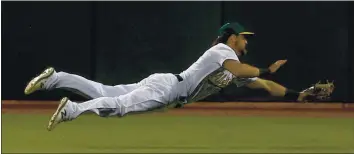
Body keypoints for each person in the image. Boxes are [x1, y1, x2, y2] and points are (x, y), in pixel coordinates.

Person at [24, 22, 325, 131]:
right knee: (118, 107)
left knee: (107, 91)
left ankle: (55, 78)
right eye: (244, 37)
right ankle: (72, 110)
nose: (247, 42)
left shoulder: (230, 61)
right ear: (231, 38)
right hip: (169, 89)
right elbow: (243, 71)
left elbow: (266, 85)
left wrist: (299, 94)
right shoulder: (221, 51)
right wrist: (265, 69)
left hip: (166, 85)